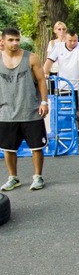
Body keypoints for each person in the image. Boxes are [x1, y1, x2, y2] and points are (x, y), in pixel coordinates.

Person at [0, 28, 49, 192]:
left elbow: (42, 80)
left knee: (36, 147)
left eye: (17, 40)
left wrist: (44, 102)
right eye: (11, 40)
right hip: (6, 112)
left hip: (30, 110)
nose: (14, 43)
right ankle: (13, 178)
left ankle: (37, 177)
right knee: (9, 148)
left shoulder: (31, 57)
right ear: (3, 41)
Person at [43, 28, 79, 128]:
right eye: (70, 40)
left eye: (75, 40)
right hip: (64, 84)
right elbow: (49, 60)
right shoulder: (58, 47)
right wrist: (45, 73)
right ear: (65, 39)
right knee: (68, 107)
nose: (73, 43)